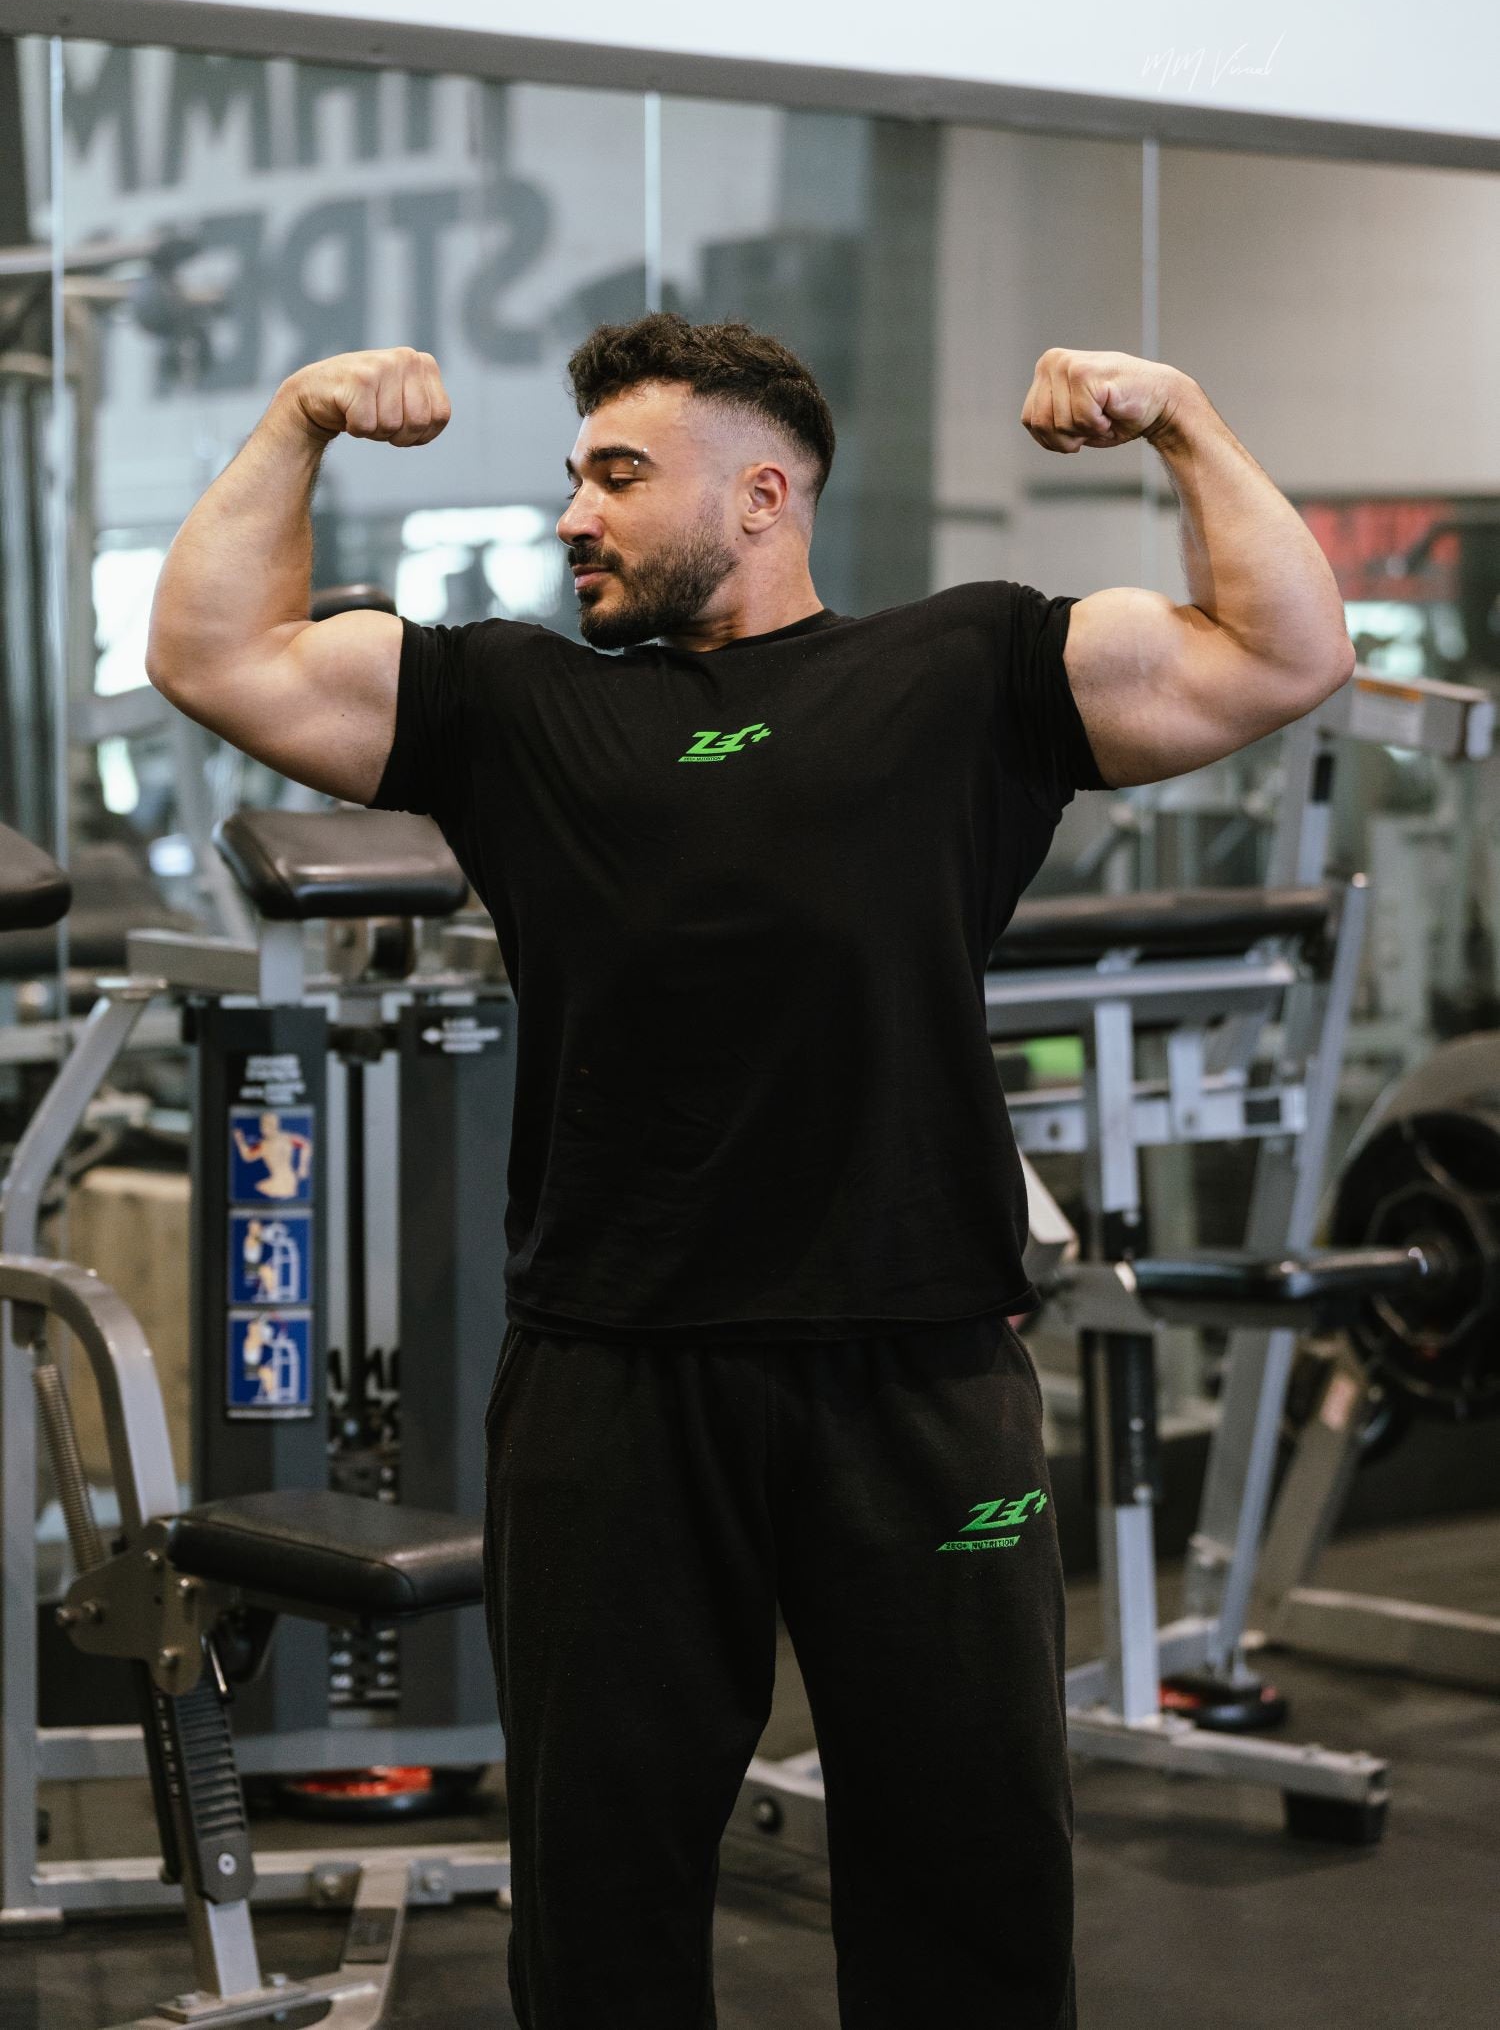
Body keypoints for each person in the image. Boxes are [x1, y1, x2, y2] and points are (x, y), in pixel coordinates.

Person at [146, 316, 1355, 2030]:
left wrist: (1182, 412)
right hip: (613, 1375)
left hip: (920, 1371)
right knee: (603, 1877)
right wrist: (300, 417)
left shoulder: (969, 671)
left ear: (765, 494)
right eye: (576, 474)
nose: (576, 511)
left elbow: (1289, 649)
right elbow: (215, 650)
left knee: (970, 1865)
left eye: (620, 476)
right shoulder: (512, 702)